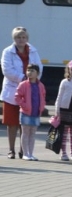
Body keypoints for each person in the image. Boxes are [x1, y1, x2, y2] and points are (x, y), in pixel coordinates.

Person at [2, 27, 42, 159]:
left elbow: (39, 66)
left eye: (23, 37)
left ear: (27, 38)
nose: (21, 39)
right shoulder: (8, 52)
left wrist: (33, 79)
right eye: (18, 37)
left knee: (24, 124)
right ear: (14, 38)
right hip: (13, 90)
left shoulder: (33, 51)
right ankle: (11, 150)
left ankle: (23, 150)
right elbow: (7, 70)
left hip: (30, 90)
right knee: (12, 122)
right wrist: (23, 78)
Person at [14, 64, 46, 161]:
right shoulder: (23, 84)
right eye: (28, 70)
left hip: (36, 113)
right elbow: (17, 97)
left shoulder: (40, 85)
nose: (30, 73)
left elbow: (43, 97)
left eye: (32, 71)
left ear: (37, 73)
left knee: (32, 133)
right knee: (25, 132)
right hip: (25, 113)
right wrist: (24, 105)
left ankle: (31, 153)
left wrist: (42, 106)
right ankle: (25, 153)